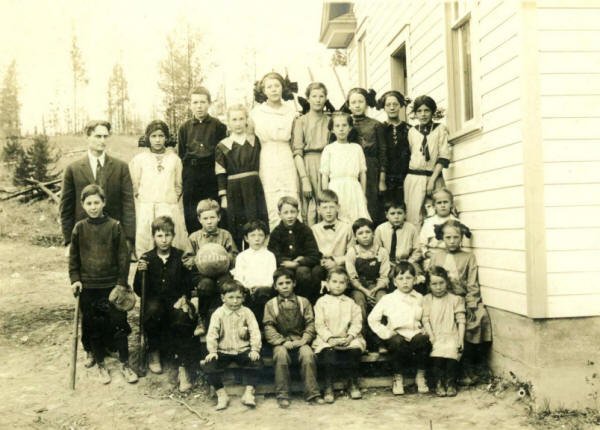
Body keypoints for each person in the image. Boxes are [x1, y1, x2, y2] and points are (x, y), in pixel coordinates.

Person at [68, 184, 137, 385]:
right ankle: (100, 363)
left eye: (97, 202)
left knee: (119, 323)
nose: (93, 207)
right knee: (94, 326)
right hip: (89, 288)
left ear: (104, 202)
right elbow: (73, 260)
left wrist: (121, 284)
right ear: (83, 205)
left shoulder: (114, 226)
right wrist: (75, 280)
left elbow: (123, 258)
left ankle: (125, 363)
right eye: (89, 203)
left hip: (112, 287)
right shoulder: (79, 228)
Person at [133, 216, 195, 392]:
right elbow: (138, 289)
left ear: (173, 236)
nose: (164, 240)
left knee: (182, 316)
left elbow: (188, 284)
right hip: (155, 301)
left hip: (175, 300)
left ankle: (183, 367)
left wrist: (184, 297)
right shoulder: (147, 258)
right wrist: (140, 272)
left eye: (168, 235)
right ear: (154, 237)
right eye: (160, 235)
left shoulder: (179, 257)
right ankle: (154, 352)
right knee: (152, 310)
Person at [429, 220, 492, 385]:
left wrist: (471, 303)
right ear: (442, 238)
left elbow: (472, 283)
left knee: (477, 318)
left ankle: (467, 367)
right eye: (448, 237)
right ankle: (445, 371)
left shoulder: (468, 257)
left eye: (456, 237)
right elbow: (431, 279)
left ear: (461, 238)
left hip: (462, 298)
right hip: (441, 298)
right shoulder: (437, 256)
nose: (452, 241)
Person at [60, 120, 135, 253]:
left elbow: (128, 205)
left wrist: (129, 239)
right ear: (87, 137)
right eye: (98, 136)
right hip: (84, 237)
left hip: (113, 236)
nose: (102, 140)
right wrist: (69, 240)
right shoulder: (73, 169)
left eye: (105, 136)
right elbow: (66, 207)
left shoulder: (121, 167)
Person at [263, 268, 325, 408]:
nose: (284, 286)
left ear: (294, 283)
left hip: (300, 339)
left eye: (288, 282)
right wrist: (282, 341)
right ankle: (283, 395)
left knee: (308, 354)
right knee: (280, 356)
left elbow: (310, 323)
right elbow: (268, 326)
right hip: (281, 342)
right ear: (275, 286)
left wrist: (304, 339)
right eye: (281, 283)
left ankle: (313, 393)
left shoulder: (304, 302)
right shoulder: (270, 304)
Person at [367, 261, 431, 395]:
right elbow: (372, 319)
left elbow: (426, 316)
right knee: (397, 342)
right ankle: (398, 377)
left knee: (424, 340)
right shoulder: (388, 298)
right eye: (400, 279)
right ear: (395, 282)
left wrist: (425, 327)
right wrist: (386, 332)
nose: (405, 282)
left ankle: (420, 375)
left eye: (408, 278)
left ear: (414, 280)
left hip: (414, 333)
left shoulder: (420, 298)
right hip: (396, 335)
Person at [129, 120, 188, 257]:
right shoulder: (139, 159)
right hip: (147, 207)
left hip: (168, 206)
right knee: (147, 243)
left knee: (169, 242)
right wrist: (147, 201)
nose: (157, 140)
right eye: (153, 136)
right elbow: (135, 185)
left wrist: (168, 201)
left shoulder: (174, 159)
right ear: (147, 138)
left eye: (161, 136)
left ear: (166, 138)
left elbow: (178, 185)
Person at [250, 72, 300, 230]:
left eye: (277, 86)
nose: (273, 90)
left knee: (290, 191)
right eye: (269, 87)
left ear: (282, 88)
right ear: (263, 90)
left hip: (286, 154)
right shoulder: (256, 113)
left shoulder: (292, 111)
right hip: (267, 156)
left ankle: (295, 235)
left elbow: (295, 139)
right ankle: (276, 237)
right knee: (271, 196)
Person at [202, 280, 262, 410]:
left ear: (244, 298)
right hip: (224, 351)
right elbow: (212, 333)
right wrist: (212, 351)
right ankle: (222, 395)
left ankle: (248, 393)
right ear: (223, 298)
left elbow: (255, 331)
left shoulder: (247, 312)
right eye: (231, 297)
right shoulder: (218, 313)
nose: (235, 301)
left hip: (243, 350)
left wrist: (254, 349)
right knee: (209, 366)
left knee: (257, 362)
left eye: (238, 297)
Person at [215, 104, 269, 247]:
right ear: (228, 122)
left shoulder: (254, 141)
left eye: (241, 119)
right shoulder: (222, 145)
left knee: (255, 219)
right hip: (234, 188)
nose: (238, 123)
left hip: (253, 186)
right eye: (234, 120)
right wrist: (223, 197)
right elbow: (220, 173)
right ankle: (240, 256)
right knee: (236, 222)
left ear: (246, 120)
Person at [182, 199, 238, 336]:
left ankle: (226, 321)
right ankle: (202, 319)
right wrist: (200, 260)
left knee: (225, 285)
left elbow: (234, 255)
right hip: (201, 274)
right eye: (205, 218)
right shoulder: (194, 237)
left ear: (218, 217)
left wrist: (224, 258)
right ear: (199, 219)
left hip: (222, 272)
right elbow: (186, 258)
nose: (209, 221)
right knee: (205, 285)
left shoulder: (225, 235)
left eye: (212, 217)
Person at [177, 86, 227, 233]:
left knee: (213, 211)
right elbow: (181, 154)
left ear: (209, 103)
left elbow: (222, 155)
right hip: (192, 175)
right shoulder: (184, 128)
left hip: (211, 174)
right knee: (192, 213)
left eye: (203, 102)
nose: (199, 106)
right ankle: (196, 247)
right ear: (190, 104)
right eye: (195, 102)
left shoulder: (218, 126)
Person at [312, 268, 366, 403]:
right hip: (328, 339)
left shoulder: (350, 302)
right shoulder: (321, 302)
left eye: (342, 282)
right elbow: (319, 324)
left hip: (346, 337)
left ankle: (352, 383)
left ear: (347, 284)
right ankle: (328, 386)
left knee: (355, 349)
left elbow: (356, 322)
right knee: (328, 353)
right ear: (327, 283)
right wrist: (329, 338)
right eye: (334, 281)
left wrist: (350, 336)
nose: (338, 285)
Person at [404, 95, 451, 226]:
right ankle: (418, 245)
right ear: (415, 113)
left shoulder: (440, 129)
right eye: (419, 111)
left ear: (432, 112)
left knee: (437, 215)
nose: (423, 114)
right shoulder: (412, 131)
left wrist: (432, 180)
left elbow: (443, 156)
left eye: (426, 110)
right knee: (414, 216)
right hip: (414, 177)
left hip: (434, 177)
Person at [345, 218, 390, 351]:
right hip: (359, 287)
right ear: (355, 236)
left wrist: (375, 289)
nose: (364, 236)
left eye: (367, 232)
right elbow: (352, 277)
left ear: (373, 234)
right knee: (359, 303)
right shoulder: (353, 251)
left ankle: (381, 341)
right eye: (360, 233)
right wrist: (365, 291)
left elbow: (384, 275)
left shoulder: (381, 252)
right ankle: (362, 339)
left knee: (382, 300)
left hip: (377, 286)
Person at [268, 196, 321, 304]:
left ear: (298, 212)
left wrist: (298, 262)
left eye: (293, 212)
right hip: (284, 266)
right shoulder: (276, 233)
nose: (289, 216)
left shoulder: (305, 230)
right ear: (279, 214)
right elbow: (273, 255)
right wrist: (285, 262)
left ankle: (306, 303)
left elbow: (314, 255)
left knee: (303, 272)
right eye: (286, 212)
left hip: (303, 268)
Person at [422, 266, 466, 397]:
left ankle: (450, 382)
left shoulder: (455, 299)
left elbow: (461, 320)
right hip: (435, 333)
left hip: (451, 333)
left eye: (441, 283)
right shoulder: (427, 299)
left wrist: (460, 339)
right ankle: (439, 382)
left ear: (447, 282)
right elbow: (425, 320)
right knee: (437, 352)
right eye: (434, 284)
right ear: (429, 285)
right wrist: (431, 335)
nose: (438, 287)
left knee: (452, 349)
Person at [345, 88, 387, 224]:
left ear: (367, 103)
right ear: (348, 105)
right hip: (350, 169)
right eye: (353, 102)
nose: (357, 105)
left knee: (370, 203)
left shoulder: (376, 125)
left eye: (361, 101)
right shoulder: (344, 124)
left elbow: (382, 152)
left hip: (370, 169)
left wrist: (382, 179)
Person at [320, 111, 370, 224]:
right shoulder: (329, 149)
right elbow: (325, 175)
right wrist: (327, 196)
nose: (341, 129)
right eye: (337, 126)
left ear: (350, 128)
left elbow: (363, 173)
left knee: (356, 217)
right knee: (339, 218)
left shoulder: (356, 148)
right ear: (332, 129)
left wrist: (363, 194)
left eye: (344, 125)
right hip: (336, 188)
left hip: (353, 188)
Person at [292, 82, 331, 226]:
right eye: (314, 96)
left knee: (327, 203)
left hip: (328, 164)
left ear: (326, 98)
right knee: (310, 206)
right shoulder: (301, 121)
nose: (318, 100)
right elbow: (297, 152)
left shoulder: (330, 120)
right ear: (308, 99)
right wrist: (304, 179)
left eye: (321, 96)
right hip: (308, 165)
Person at [231, 220, 277, 325]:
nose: (257, 238)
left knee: (262, 293)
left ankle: (263, 326)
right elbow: (238, 277)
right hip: (247, 290)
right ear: (246, 238)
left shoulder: (269, 255)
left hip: (264, 290)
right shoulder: (242, 256)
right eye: (252, 235)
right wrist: (247, 287)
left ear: (265, 237)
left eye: (260, 235)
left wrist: (260, 286)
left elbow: (271, 277)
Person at [376, 91, 411, 206]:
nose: (392, 108)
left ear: (400, 105)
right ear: (384, 107)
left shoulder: (408, 129)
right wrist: (382, 180)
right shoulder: (380, 128)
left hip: (405, 176)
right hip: (386, 177)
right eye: (388, 105)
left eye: (395, 104)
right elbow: (380, 154)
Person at [311, 190, 353, 284]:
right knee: (316, 272)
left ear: (338, 208)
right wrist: (320, 261)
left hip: (340, 265)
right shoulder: (314, 229)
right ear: (319, 209)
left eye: (332, 207)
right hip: (321, 266)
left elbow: (352, 254)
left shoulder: (347, 228)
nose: (328, 211)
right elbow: (311, 252)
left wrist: (336, 261)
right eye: (325, 208)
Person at [420, 187, 466, 269]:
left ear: (451, 204)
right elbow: (421, 245)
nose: (443, 205)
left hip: (452, 257)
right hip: (433, 258)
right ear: (434, 206)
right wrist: (429, 254)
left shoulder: (456, 222)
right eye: (439, 203)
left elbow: (461, 245)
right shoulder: (428, 222)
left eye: (445, 202)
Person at [374, 200, 421, 270]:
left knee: (416, 274)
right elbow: (377, 250)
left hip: (407, 262)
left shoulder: (411, 229)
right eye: (392, 213)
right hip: (387, 263)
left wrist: (408, 263)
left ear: (405, 214)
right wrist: (386, 262)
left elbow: (417, 251)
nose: (396, 216)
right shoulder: (380, 229)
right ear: (386, 215)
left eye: (399, 213)